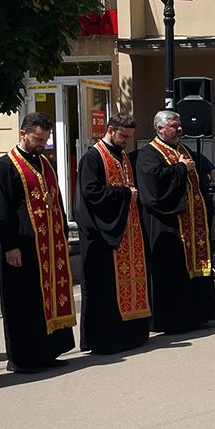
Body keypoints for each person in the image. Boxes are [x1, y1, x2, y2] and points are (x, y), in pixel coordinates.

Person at [0, 112, 76, 373]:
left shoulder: (45, 164)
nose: (42, 144)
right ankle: (24, 359)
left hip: (49, 246)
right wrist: (9, 245)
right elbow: (0, 211)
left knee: (44, 299)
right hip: (23, 246)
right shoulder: (3, 167)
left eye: (46, 140)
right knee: (23, 302)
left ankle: (48, 352)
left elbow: (56, 202)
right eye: (38, 139)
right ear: (22, 134)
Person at [75, 112, 151, 355]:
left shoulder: (123, 157)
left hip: (127, 232)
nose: (126, 140)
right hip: (102, 234)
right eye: (123, 135)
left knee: (127, 285)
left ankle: (131, 335)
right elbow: (92, 193)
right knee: (104, 289)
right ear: (110, 129)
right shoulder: (93, 157)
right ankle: (104, 340)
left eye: (129, 137)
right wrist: (126, 194)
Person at [136, 110, 215, 333]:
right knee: (172, 271)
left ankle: (197, 314)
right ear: (160, 129)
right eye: (174, 126)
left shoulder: (183, 149)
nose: (179, 129)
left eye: (179, 125)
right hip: (168, 223)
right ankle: (174, 320)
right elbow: (154, 186)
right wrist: (181, 168)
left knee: (193, 268)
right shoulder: (149, 154)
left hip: (192, 223)